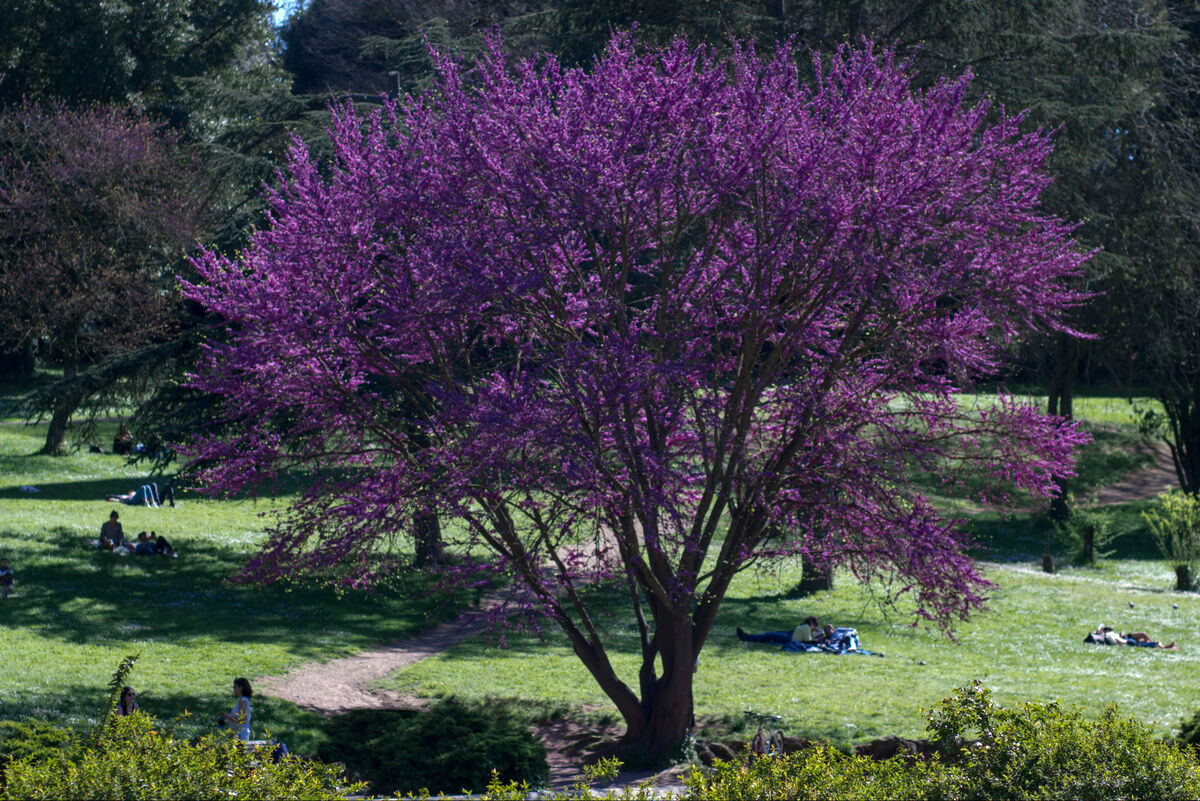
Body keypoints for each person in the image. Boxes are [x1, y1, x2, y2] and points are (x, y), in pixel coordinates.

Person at [737, 616, 821, 645]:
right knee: (769, 635)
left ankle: (747, 637)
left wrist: (816, 634)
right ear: (811, 622)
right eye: (814, 625)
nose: (814, 627)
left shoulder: (806, 627)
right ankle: (748, 637)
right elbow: (807, 639)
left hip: (790, 637)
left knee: (769, 634)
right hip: (790, 635)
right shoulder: (806, 627)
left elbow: (807, 640)